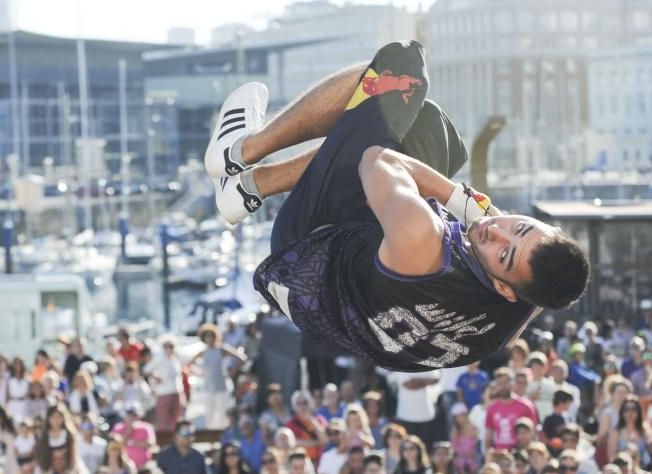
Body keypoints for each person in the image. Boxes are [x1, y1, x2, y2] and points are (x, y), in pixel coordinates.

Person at [205, 42, 589, 372]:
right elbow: (535, 283)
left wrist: (465, 203)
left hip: (307, 246)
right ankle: (248, 188)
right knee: (431, 127)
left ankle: (239, 151)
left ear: (505, 289)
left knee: (402, 75)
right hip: (341, 302)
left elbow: (379, 159)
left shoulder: (420, 239)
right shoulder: (515, 310)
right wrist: (501, 246)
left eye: (503, 253)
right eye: (520, 228)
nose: (497, 230)